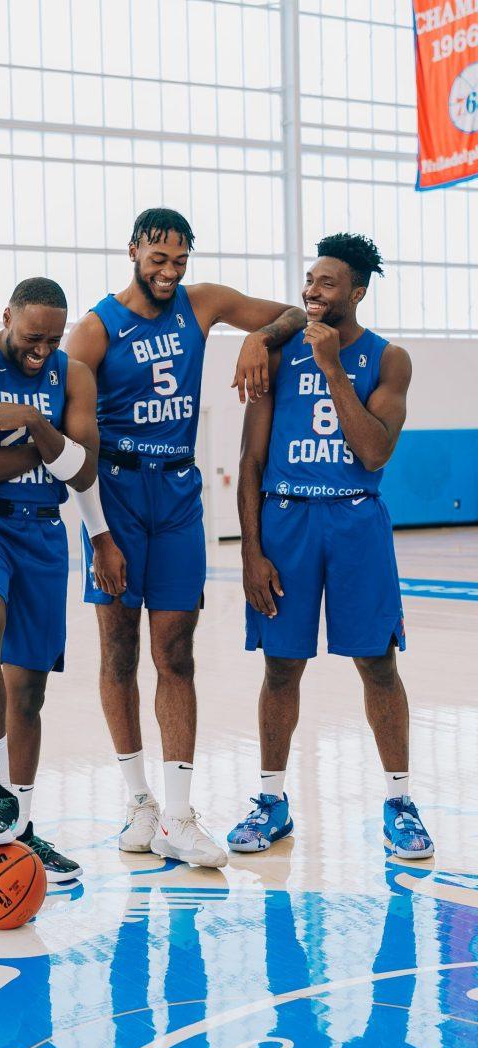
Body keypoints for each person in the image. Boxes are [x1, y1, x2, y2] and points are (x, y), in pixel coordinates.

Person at [66, 207, 307, 868]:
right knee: (117, 650)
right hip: (113, 492)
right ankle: (138, 801)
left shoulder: (203, 304)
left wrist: (259, 340)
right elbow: (75, 446)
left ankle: (177, 813)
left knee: (176, 652)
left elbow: (294, 313)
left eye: (179, 261)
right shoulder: (92, 332)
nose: (168, 273)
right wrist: (97, 534)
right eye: (157, 260)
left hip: (176, 495)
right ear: (133, 251)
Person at [228, 233, 433, 860]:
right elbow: (251, 457)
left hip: (356, 522)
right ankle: (271, 801)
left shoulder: (388, 359)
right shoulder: (278, 348)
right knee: (281, 665)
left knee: (378, 664)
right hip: (286, 521)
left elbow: (373, 450)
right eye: (309, 281)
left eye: (327, 283)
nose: (311, 292)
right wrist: (250, 552)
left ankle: (399, 802)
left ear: (358, 292)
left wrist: (332, 369)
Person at [0, 277, 104, 882]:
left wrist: (35, 424)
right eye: (32, 336)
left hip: (40, 531)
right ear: (6, 315)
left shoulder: (73, 375)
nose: (42, 349)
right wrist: (55, 451)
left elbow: (85, 470)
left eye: (53, 339)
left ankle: (23, 830)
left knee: (28, 692)